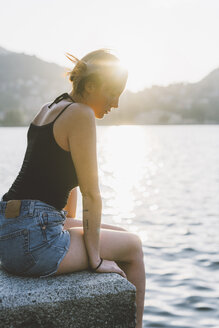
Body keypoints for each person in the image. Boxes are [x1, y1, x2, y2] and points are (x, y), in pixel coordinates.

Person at [0, 49, 145, 328]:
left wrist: (67, 221)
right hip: (34, 241)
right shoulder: (80, 114)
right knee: (134, 247)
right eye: (112, 92)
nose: (115, 103)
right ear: (90, 86)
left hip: (8, 232)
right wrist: (96, 260)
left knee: (123, 235)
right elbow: (92, 192)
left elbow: (66, 180)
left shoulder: (49, 108)